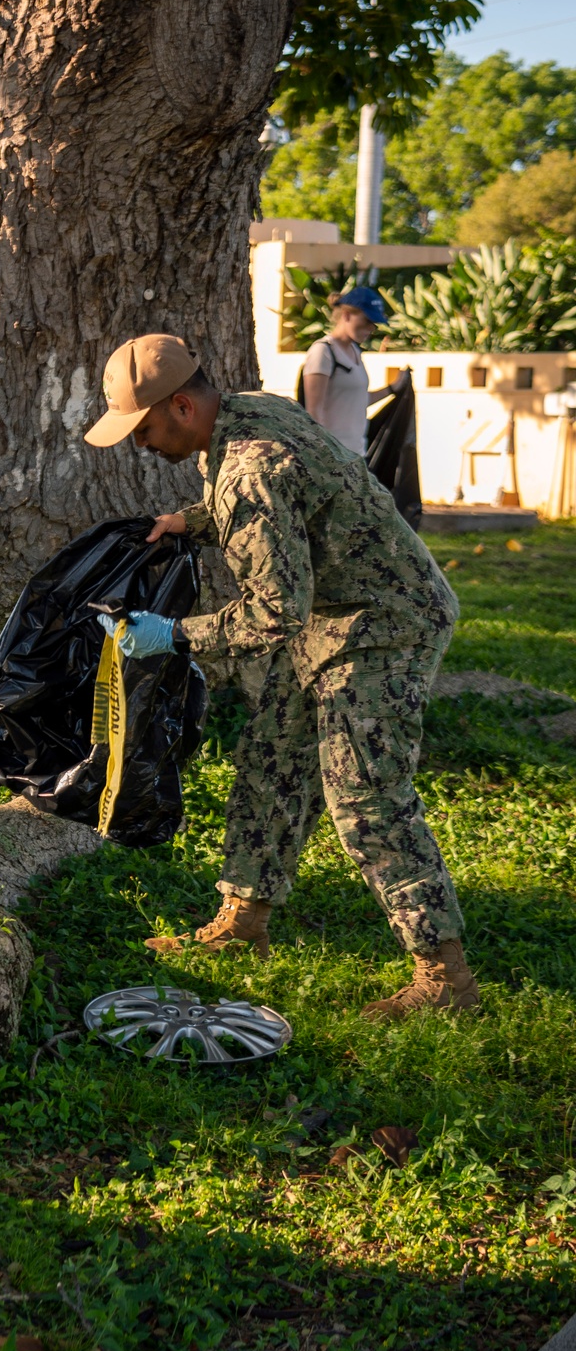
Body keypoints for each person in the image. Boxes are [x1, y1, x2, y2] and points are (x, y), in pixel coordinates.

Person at [83, 333, 480, 1022]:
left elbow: (273, 614)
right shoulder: (248, 414)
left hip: (387, 620)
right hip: (335, 606)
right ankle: (243, 922)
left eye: (143, 429)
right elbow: (291, 508)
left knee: (366, 792)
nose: (140, 444)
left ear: (181, 404)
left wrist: (173, 634)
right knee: (272, 756)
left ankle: (444, 977)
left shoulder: (249, 471)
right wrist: (192, 520)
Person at [299, 285, 388, 456]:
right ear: (347, 315)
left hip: (357, 455)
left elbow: (356, 401)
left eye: (374, 324)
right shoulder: (323, 352)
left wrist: (391, 388)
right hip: (332, 457)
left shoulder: (355, 351)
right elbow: (313, 412)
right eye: (367, 321)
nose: (371, 329)